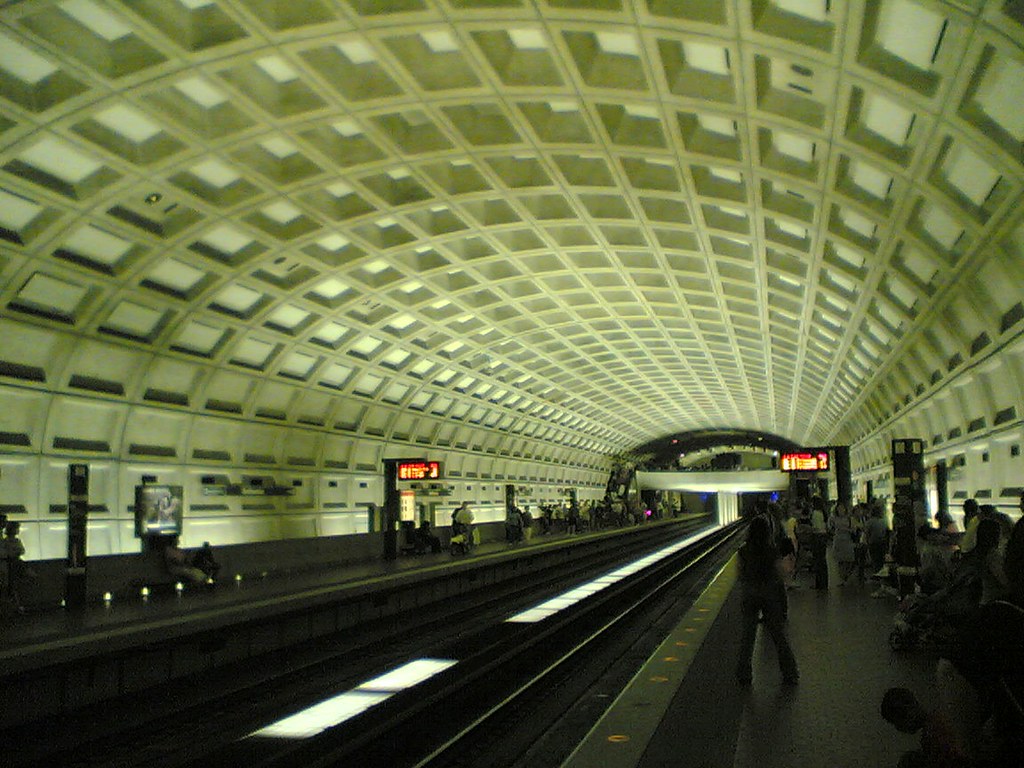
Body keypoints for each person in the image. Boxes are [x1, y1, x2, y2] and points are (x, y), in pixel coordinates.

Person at [735, 516, 799, 685]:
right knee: (778, 636)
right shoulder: (771, 550)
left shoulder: (743, 551)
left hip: (749, 593)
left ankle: (744, 673)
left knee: (747, 636)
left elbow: (740, 574)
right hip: (769, 594)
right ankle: (790, 673)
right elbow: (779, 573)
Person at [880, 686, 970, 767]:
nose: (899, 729)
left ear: (907, 710)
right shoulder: (936, 722)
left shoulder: (934, 732)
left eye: (897, 723)